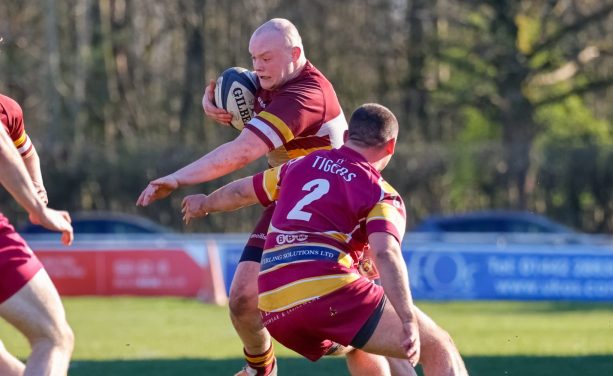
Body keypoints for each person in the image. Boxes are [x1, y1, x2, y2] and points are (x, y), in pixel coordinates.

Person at [181, 103, 468, 376]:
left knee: (361, 345)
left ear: (345, 137)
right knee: (439, 345)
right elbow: (386, 254)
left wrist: (205, 202)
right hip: (329, 295)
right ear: (390, 147)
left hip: (275, 309)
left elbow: (243, 192)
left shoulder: (302, 165)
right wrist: (407, 319)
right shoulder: (381, 193)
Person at [137, 18, 349, 375]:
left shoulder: (304, 96)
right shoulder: (273, 80)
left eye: (266, 57)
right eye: (253, 58)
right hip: (290, 198)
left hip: (328, 208)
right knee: (242, 301)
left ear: (296, 54)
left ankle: (353, 335)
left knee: (348, 333)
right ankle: (261, 368)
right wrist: (213, 100)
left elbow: (241, 153)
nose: (257, 67)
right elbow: (236, 89)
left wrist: (177, 178)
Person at [0, 94, 75, 375]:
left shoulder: (8, 110)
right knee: (53, 338)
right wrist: (39, 211)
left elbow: (26, 151)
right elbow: (2, 150)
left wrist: (37, 190)